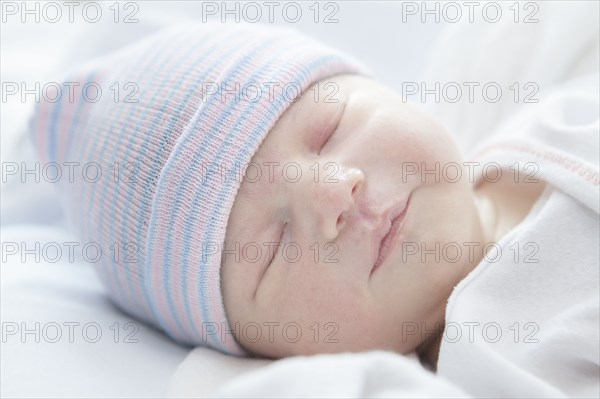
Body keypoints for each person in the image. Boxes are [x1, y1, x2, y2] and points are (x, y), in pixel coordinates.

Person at [29, 21, 598, 395]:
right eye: (273, 250)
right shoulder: (483, 372)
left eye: (328, 132)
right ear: (267, 355)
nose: (332, 195)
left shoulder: (563, 111)